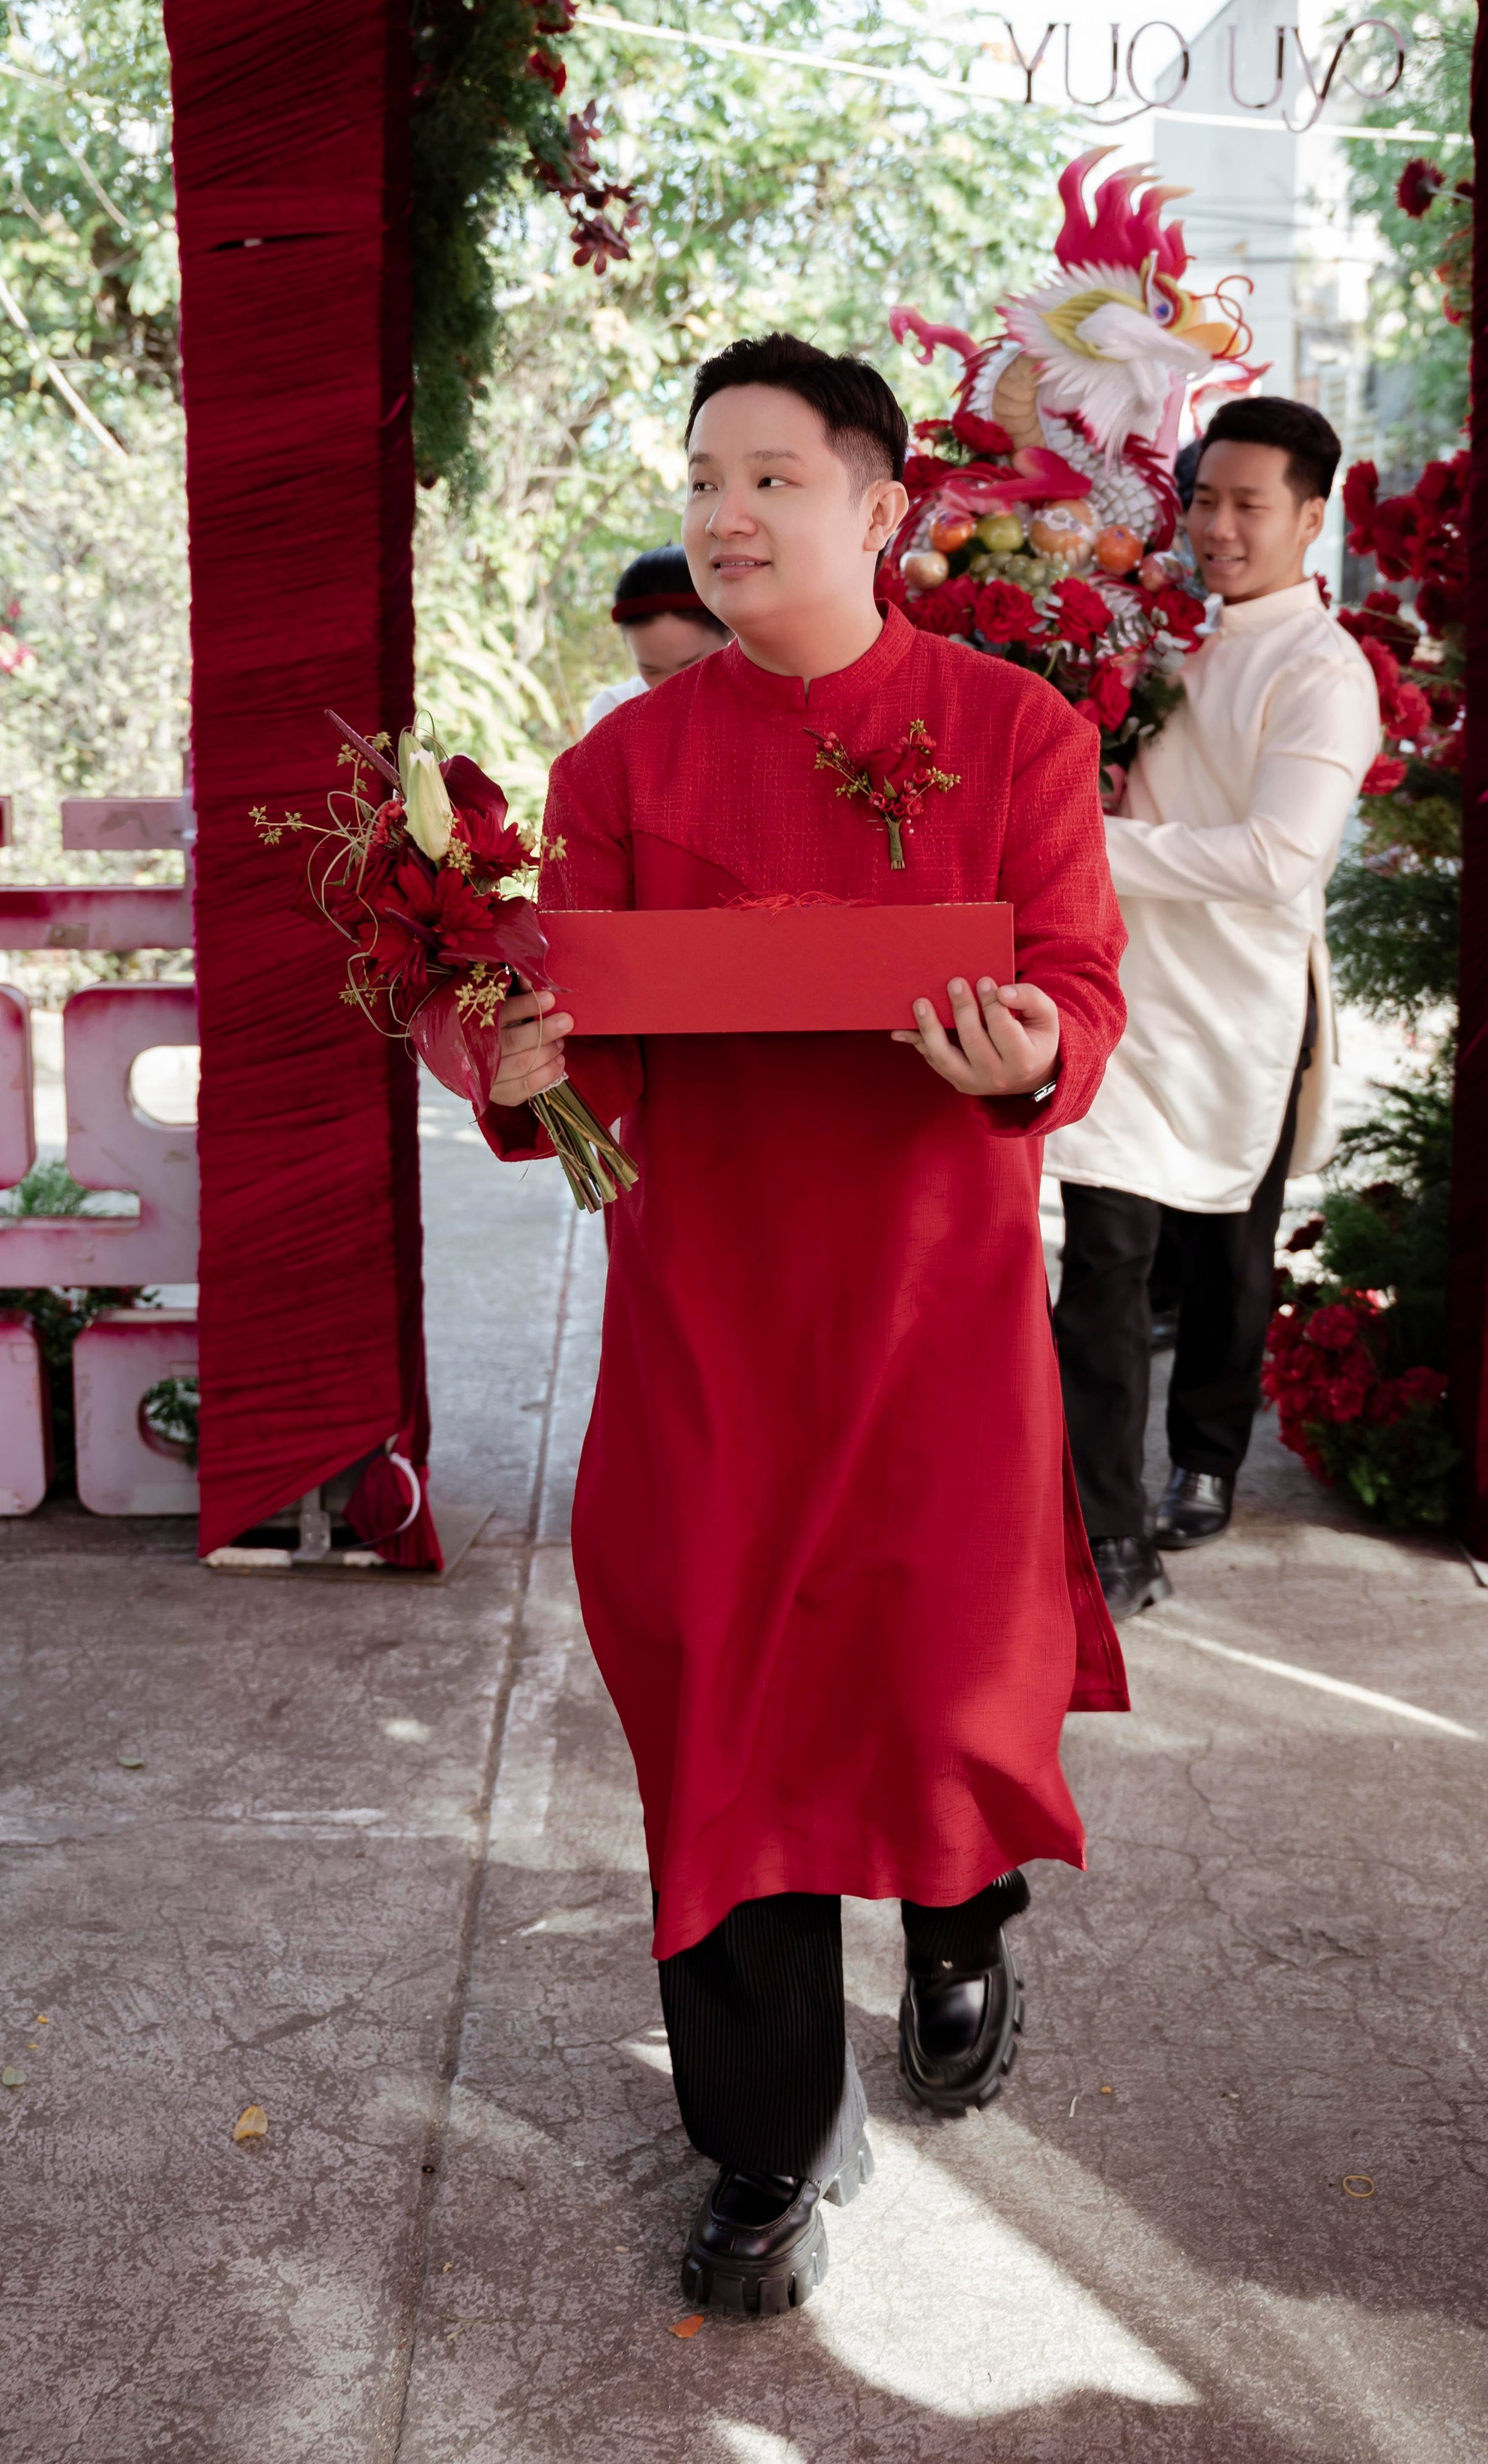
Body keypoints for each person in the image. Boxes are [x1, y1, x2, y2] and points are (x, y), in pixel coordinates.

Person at [479, 333, 1128, 2318]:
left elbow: (1079, 992)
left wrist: (1027, 1050)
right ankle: (762, 2143)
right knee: (728, 1721)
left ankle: (956, 1926)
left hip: (935, 1329)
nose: (727, 510)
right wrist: (515, 1060)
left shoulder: (1008, 732)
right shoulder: (617, 770)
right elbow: (569, 1058)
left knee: (936, 1684)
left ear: (881, 505)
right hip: (713, 1333)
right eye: (701, 476)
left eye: (771, 473)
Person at [1049, 397, 1382, 1622]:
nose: (1219, 526)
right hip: (1120, 986)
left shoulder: (1321, 671)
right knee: (1104, 1257)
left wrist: (1095, 843)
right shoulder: (1160, 633)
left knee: (1228, 1252)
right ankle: (1103, 1524)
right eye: (1204, 500)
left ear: (1310, 514)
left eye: (1249, 505)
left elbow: (1278, 858)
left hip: (1238, 1003)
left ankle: (1207, 1457)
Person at [584, 543, 731, 728]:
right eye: (651, 670)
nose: (671, 689)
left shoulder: (764, 703)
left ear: (730, 630)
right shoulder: (613, 713)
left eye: (691, 668)